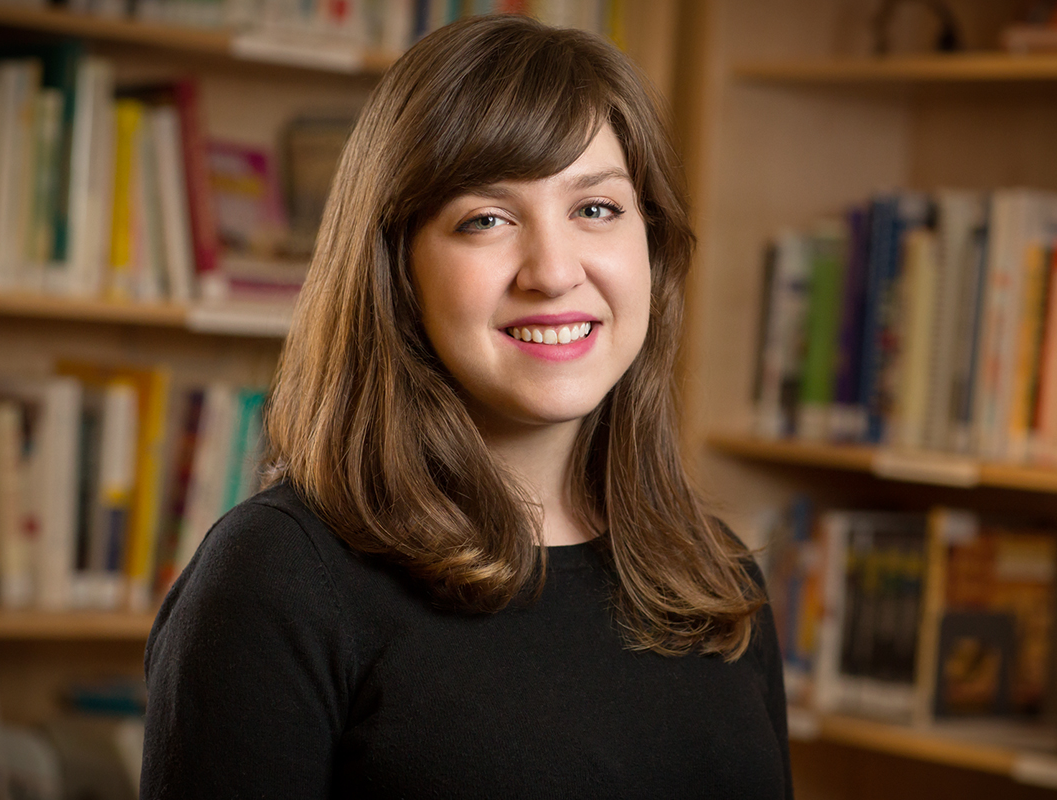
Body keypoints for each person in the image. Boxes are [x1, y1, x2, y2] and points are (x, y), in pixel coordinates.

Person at [141, 13, 792, 799]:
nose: (553, 272)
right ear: (397, 268)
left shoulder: (711, 575)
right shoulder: (276, 581)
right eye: (486, 219)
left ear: (651, 247)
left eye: (596, 209)